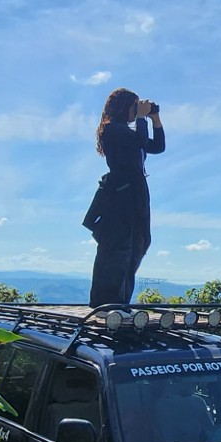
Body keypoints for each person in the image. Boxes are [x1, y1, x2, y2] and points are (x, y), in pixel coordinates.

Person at [84, 88, 165, 306]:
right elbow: (140, 140)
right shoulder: (112, 130)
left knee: (138, 244)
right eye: (134, 105)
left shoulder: (128, 134)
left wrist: (154, 117)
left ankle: (120, 304)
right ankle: (105, 304)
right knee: (118, 247)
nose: (137, 109)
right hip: (121, 197)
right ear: (122, 107)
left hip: (136, 196)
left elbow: (158, 146)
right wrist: (140, 117)